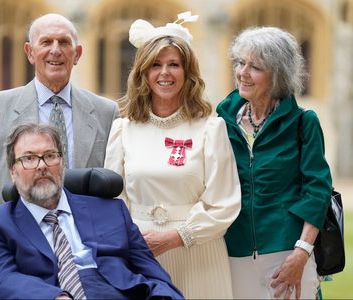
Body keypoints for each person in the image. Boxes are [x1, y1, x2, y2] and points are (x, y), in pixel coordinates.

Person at [0, 13, 118, 296]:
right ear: (30, 52)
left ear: (78, 53)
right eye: (46, 42)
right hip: (14, 260)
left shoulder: (107, 112)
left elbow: (110, 187)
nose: (55, 50)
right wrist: (8, 236)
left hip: (86, 264)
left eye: (64, 42)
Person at [104, 12, 241, 299]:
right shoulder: (122, 129)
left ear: (188, 72)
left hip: (199, 253)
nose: (164, 73)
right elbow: (113, 201)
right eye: (155, 64)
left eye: (173, 65)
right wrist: (131, 241)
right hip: (140, 253)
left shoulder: (211, 128)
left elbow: (224, 203)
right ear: (143, 72)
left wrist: (176, 237)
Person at [0, 122, 183, 300]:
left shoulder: (111, 210)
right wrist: (56, 297)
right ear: (12, 172)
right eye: (29, 158)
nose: (41, 165)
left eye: (50, 155)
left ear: (62, 163)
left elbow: (155, 276)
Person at [216, 26, 332, 299]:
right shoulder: (221, 121)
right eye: (240, 62)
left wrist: (301, 253)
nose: (243, 73)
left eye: (255, 66)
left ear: (278, 75)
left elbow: (317, 191)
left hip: (287, 252)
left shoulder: (304, 122)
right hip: (234, 252)